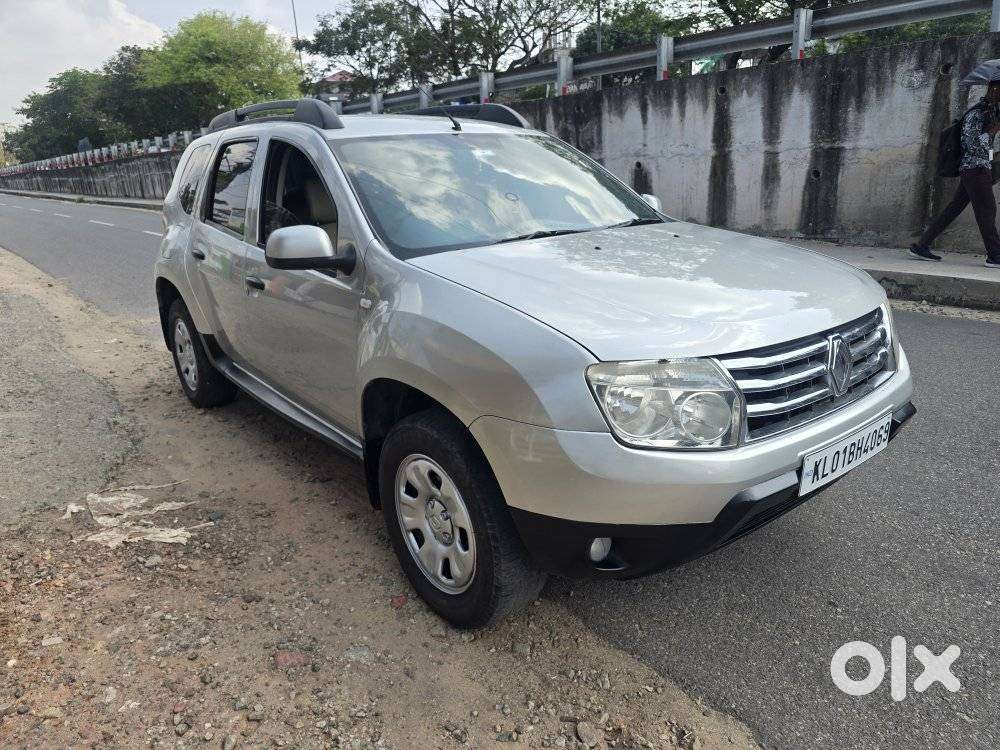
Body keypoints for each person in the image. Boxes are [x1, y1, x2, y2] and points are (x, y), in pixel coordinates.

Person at [911, 82, 1000, 268]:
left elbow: (988, 146)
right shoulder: (976, 114)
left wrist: (992, 153)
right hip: (974, 169)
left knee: (954, 208)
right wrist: (991, 132)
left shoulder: (991, 113)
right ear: (994, 89)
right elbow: (971, 145)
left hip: (979, 168)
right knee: (987, 209)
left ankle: (922, 245)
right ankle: (995, 255)